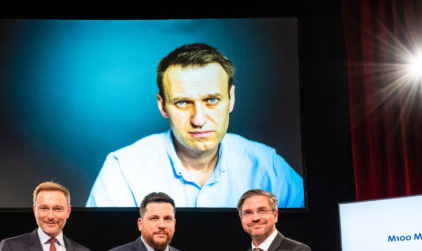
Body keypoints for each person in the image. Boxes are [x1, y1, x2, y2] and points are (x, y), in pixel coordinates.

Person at [86, 43, 304, 209]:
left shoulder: (268, 167)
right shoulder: (123, 170)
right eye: (182, 103)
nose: (198, 119)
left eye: (212, 100)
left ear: (231, 99)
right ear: (162, 105)